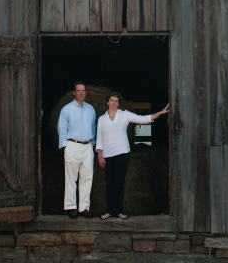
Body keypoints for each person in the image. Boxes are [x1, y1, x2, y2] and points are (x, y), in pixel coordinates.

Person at [95, 93, 169, 219]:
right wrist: (100, 156)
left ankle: (118, 210)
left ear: (119, 103)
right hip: (107, 155)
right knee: (110, 184)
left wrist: (160, 113)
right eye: (111, 100)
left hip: (122, 153)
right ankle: (109, 210)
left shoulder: (125, 115)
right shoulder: (102, 119)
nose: (114, 103)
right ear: (107, 102)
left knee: (119, 183)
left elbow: (143, 119)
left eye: (116, 101)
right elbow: (99, 139)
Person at [57, 81, 97, 217]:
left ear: (86, 93)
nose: (81, 93)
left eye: (83, 91)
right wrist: (65, 146)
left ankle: (83, 208)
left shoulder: (91, 109)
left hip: (87, 146)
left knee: (87, 178)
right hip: (72, 145)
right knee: (71, 178)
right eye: (79, 91)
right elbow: (61, 129)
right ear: (74, 92)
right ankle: (71, 207)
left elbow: (93, 128)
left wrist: (93, 143)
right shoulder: (66, 109)